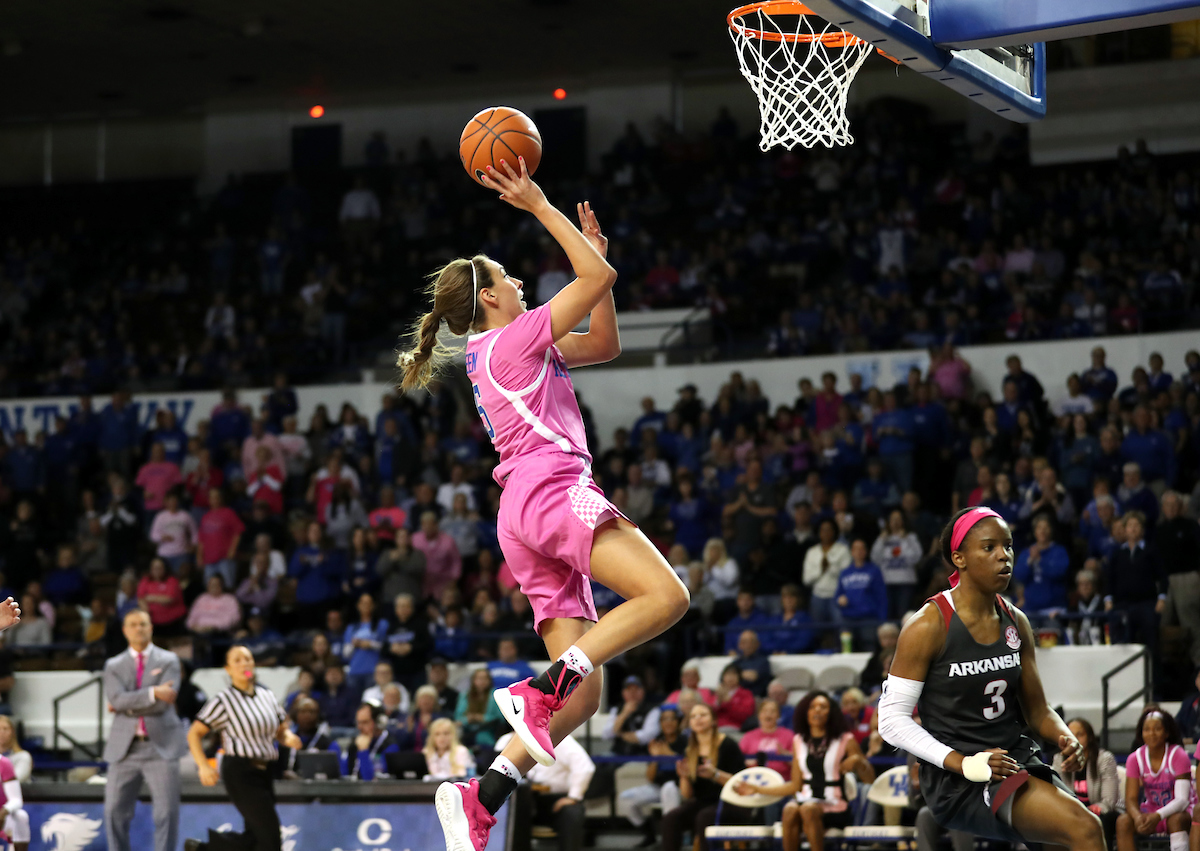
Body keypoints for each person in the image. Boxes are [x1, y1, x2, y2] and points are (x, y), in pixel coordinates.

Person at [407, 167, 689, 845]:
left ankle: (483, 792)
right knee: (668, 596)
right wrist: (541, 206)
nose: (521, 283)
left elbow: (603, 340)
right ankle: (541, 687)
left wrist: (598, 257)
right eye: (509, 278)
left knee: (584, 697)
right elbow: (594, 283)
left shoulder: (495, 348)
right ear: (493, 298)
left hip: (522, 516)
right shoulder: (515, 337)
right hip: (554, 490)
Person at [876, 506, 1103, 851]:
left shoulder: (1017, 621)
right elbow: (891, 721)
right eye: (989, 548)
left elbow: (1038, 711)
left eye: (1008, 546)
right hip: (959, 776)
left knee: (1069, 839)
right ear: (959, 559)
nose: (1004, 556)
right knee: (1085, 828)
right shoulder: (928, 625)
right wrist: (964, 763)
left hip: (1014, 759)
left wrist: (1066, 737)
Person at [185, 646, 301, 851]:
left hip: (266, 771)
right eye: (237, 660)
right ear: (228, 669)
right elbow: (194, 733)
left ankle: (201, 849)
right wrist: (203, 765)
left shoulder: (267, 695)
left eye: (247, 659)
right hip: (240, 771)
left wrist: (289, 737)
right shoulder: (224, 700)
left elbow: (280, 731)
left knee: (255, 838)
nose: (244, 664)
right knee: (271, 838)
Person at [737, 690, 875, 851]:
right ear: (805, 712)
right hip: (806, 801)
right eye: (812, 707)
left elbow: (869, 779)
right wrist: (757, 789)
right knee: (790, 809)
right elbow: (795, 786)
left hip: (836, 804)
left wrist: (859, 762)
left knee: (808, 808)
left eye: (822, 707)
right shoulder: (799, 741)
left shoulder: (845, 739)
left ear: (831, 712)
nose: (817, 710)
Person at [103, 609, 186, 851]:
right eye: (133, 624)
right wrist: (152, 693)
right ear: (125, 630)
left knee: (167, 813)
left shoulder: (169, 660)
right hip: (124, 748)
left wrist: (126, 704)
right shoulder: (113, 664)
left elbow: (163, 703)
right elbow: (116, 699)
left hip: (161, 746)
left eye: (143, 624)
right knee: (114, 812)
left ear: (151, 628)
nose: (138, 628)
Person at [660, 702, 749, 851]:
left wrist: (715, 774)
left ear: (714, 720)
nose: (698, 719)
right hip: (704, 803)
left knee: (704, 817)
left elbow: (740, 784)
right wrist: (684, 777)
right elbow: (687, 795)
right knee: (671, 818)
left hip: (732, 804)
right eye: (693, 716)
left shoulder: (728, 745)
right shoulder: (690, 750)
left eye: (703, 715)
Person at [500, 731, 595, 851]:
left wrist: (573, 797)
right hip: (522, 797)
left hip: (552, 800)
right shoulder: (506, 740)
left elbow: (585, 767)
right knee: (512, 808)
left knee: (572, 811)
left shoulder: (560, 739)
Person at [1117, 706, 1192, 851]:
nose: (1151, 733)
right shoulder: (1135, 758)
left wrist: (1158, 815)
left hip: (1178, 812)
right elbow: (1131, 799)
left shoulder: (1178, 755)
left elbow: (1182, 800)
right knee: (1123, 821)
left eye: (1157, 728)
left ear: (1166, 732)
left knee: (1175, 819)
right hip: (1151, 812)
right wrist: (1138, 817)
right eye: (1147, 729)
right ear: (1141, 733)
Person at [618, 705, 686, 847]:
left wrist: (667, 754)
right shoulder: (656, 741)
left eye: (671, 719)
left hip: (681, 787)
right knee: (625, 799)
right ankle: (650, 835)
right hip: (657, 786)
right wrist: (655, 758)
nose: (668, 722)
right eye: (664, 719)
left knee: (669, 788)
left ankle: (669, 838)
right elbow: (649, 777)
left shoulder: (685, 740)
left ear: (678, 721)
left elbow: (689, 767)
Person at [1052, 717, 1119, 849]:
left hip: (1100, 812)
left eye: (1080, 734)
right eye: (1070, 735)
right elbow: (1055, 794)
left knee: (1099, 822)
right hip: (1072, 812)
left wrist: (1091, 810)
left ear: (1089, 737)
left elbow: (1109, 801)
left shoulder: (1104, 759)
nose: (1075, 739)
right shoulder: (1059, 759)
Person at [601, 675, 661, 755]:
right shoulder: (617, 709)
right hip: (618, 753)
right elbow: (606, 734)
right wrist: (624, 714)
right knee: (601, 760)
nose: (633, 693)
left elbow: (646, 736)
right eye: (629, 689)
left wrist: (621, 734)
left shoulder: (652, 710)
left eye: (636, 689)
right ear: (623, 693)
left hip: (641, 754)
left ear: (643, 691)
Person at [346, 702, 403, 780]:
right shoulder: (354, 745)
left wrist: (363, 751)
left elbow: (372, 783)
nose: (359, 727)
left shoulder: (390, 747)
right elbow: (344, 776)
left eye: (365, 722)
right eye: (358, 722)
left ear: (379, 723)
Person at [456, 667, 505, 749]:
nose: (482, 681)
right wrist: (468, 719)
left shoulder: (495, 695)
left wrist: (482, 718)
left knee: (483, 739)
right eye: (479, 678)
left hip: (488, 731)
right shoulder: (464, 696)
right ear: (473, 680)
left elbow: (501, 718)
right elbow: (458, 718)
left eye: (485, 678)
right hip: (467, 731)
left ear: (489, 681)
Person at [0, 717, 31, 783]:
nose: (2, 732)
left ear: (12, 732)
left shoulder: (23, 756)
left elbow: (16, 779)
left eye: (5, 729)